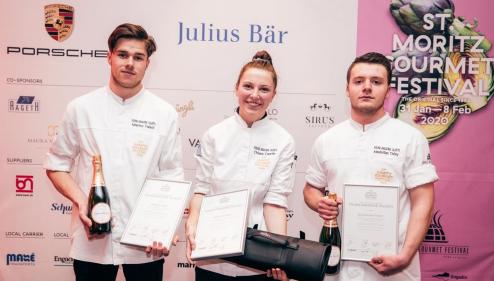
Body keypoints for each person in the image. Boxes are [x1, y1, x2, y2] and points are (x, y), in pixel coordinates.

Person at [44, 23, 183, 281]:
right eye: (122, 55)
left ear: (147, 64)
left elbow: (172, 176)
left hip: (145, 242)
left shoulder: (165, 114)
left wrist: (163, 227)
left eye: (138, 57)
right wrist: (82, 201)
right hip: (92, 240)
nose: (130, 63)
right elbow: (56, 165)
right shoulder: (81, 108)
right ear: (109, 57)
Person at [303, 52, 438, 281]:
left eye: (376, 82)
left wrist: (405, 256)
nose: (367, 87)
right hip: (338, 268)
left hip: (394, 267)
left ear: (388, 90)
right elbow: (310, 189)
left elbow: (423, 200)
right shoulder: (327, 140)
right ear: (347, 89)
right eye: (359, 81)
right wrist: (320, 203)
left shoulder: (410, 138)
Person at [185, 50, 295, 281]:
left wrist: (279, 256)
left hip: (257, 259)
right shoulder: (215, 134)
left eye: (264, 89)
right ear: (236, 88)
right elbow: (202, 190)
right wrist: (192, 227)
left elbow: (275, 202)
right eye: (248, 86)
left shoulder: (283, 140)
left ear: (273, 95)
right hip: (212, 255)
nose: (255, 95)